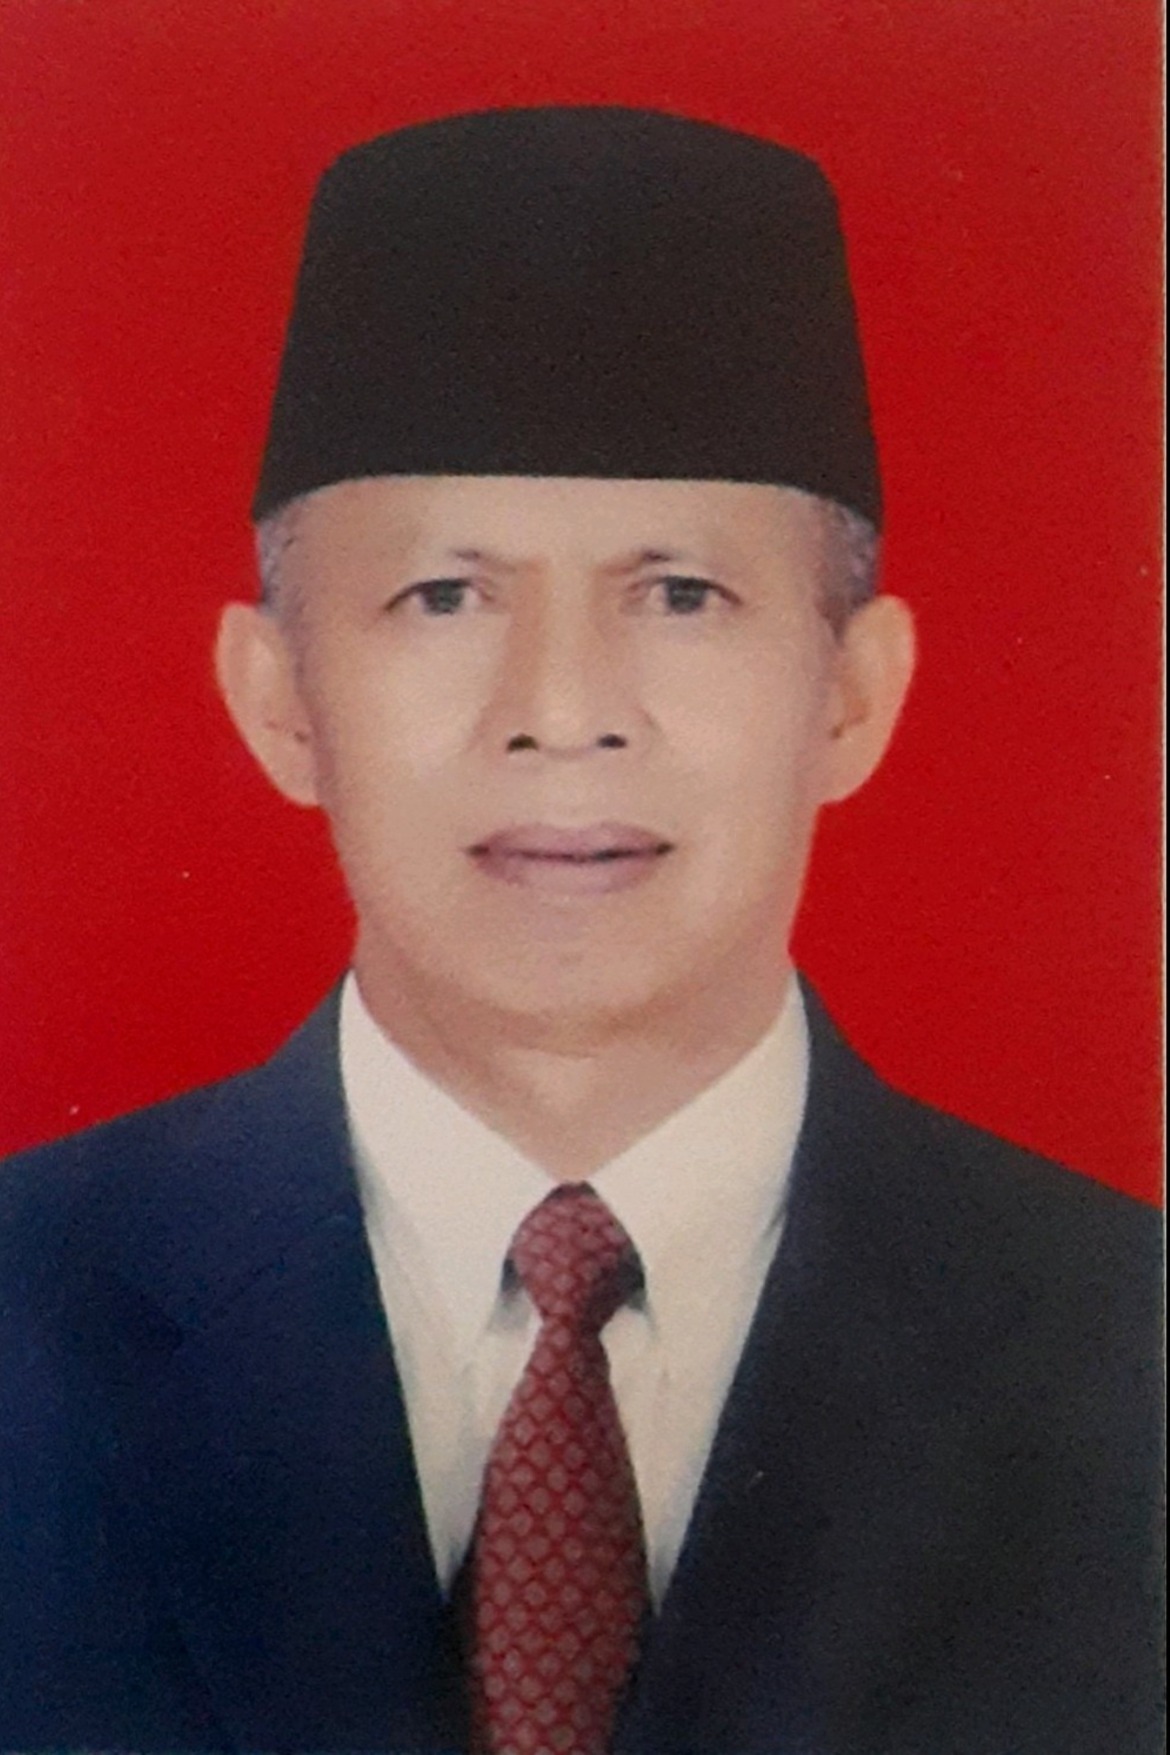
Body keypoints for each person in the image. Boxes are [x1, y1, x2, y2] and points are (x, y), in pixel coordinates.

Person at [0, 107, 1160, 1755]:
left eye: (679, 594)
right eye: (444, 596)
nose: (560, 710)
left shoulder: (1128, 1347)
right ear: (278, 701)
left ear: (851, 695)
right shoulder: (25, 1319)